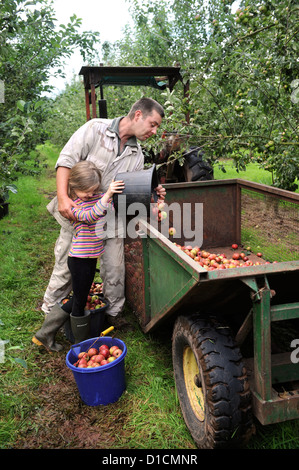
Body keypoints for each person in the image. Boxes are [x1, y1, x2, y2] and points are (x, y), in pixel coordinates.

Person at [41, 97, 166, 331]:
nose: (154, 131)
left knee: (115, 268)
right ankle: (51, 314)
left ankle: (113, 313)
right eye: (153, 124)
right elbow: (65, 161)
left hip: (109, 218)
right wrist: (64, 198)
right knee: (67, 266)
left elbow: (130, 194)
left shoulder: (137, 155)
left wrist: (153, 198)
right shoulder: (95, 130)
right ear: (138, 115)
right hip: (78, 214)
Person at [32, 161, 125, 350]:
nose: (91, 195)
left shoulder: (95, 198)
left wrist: (109, 199)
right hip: (79, 261)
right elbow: (91, 216)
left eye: (94, 190)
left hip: (90, 259)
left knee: (80, 298)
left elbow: (105, 211)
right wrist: (106, 196)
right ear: (74, 187)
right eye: (87, 192)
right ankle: (78, 345)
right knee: (79, 301)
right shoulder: (72, 206)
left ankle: (47, 334)